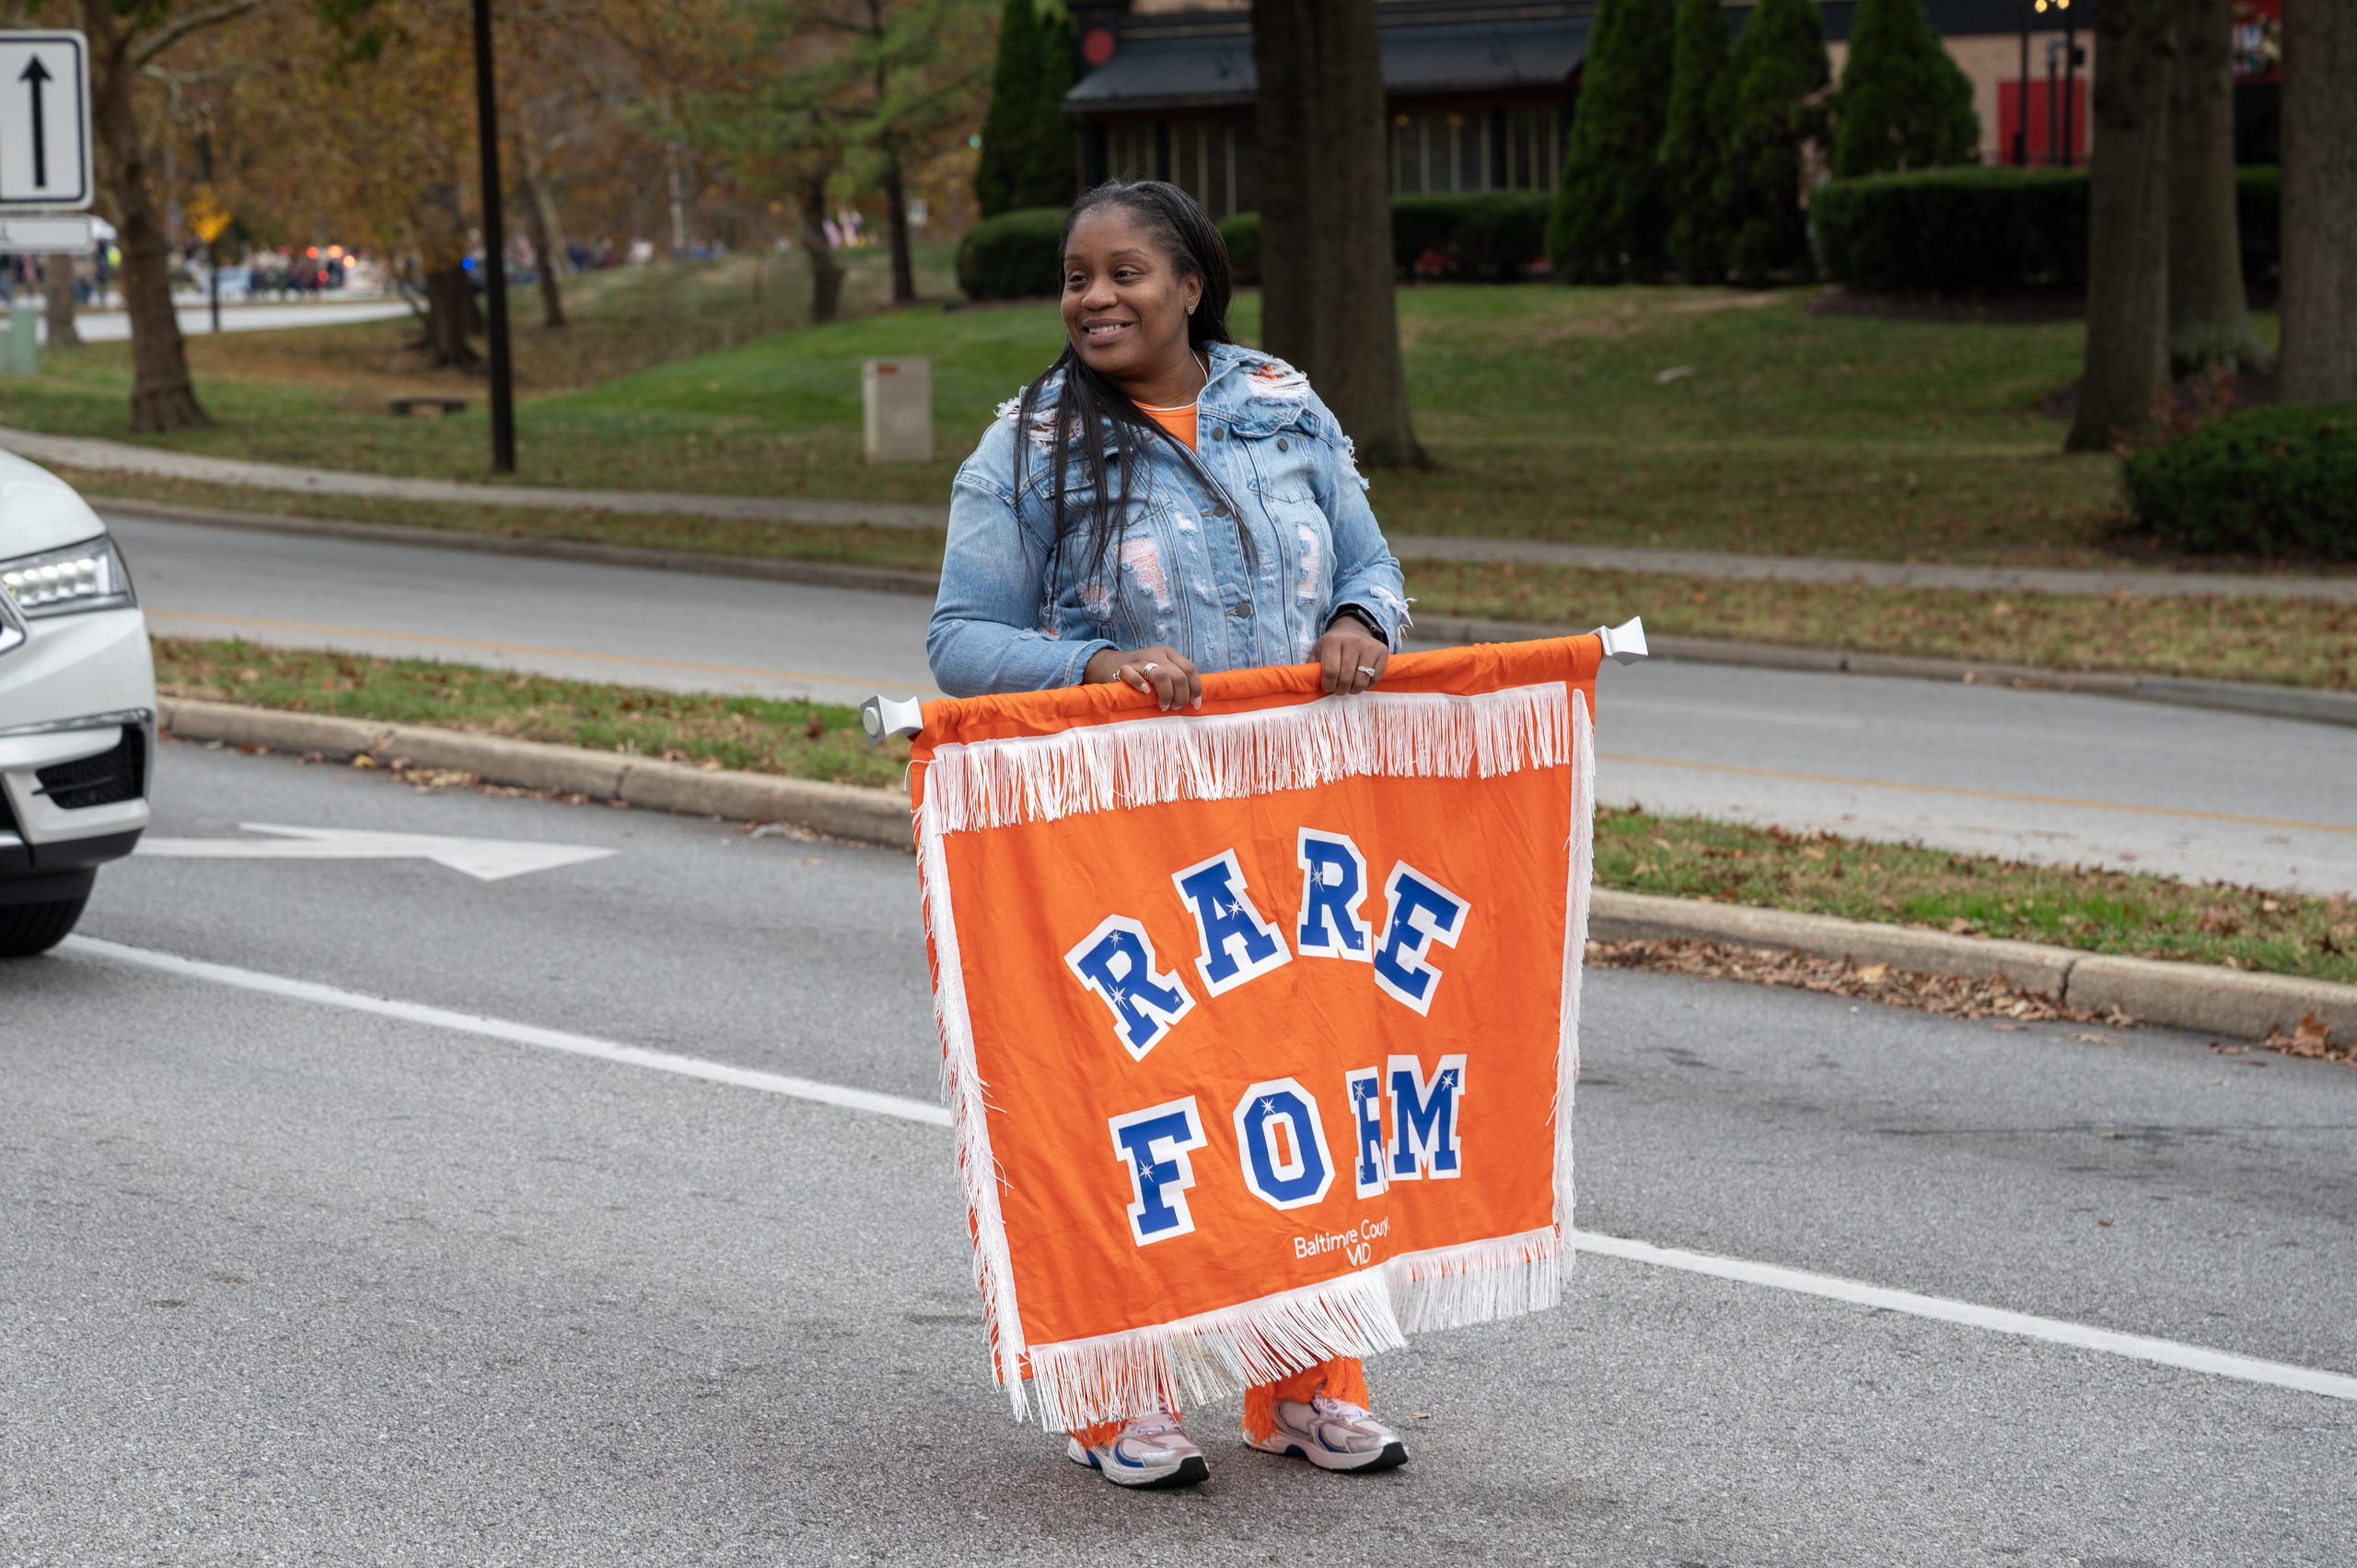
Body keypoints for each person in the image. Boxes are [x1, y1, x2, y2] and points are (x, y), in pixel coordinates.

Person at [928, 180, 1413, 1489]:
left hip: (1292, 821)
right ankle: (1118, 1393)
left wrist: (1363, 625)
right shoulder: (1028, 444)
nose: (1096, 297)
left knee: (1297, 1090)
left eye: (1126, 272)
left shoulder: (1286, 408)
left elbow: (1371, 566)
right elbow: (960, 642)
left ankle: (1307, 1381)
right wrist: (1095, 659)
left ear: (1192, 284)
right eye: (1077, 276)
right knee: (1135, 1110)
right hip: (1116, 836)